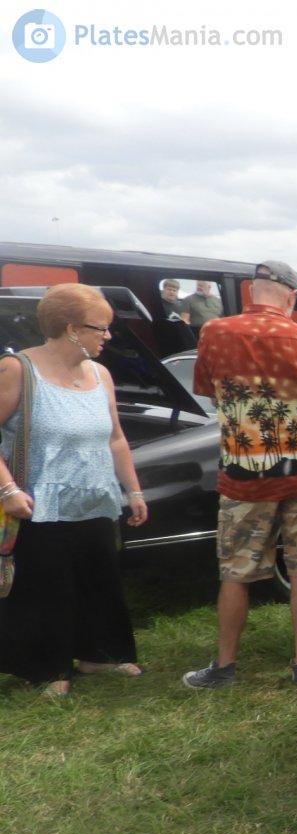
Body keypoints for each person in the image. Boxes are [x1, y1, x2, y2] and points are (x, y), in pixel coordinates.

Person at [184, 260, 297, 689]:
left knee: (235, 572)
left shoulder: (213, 333)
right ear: (292, 297)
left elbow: (206, 388)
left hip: (244, 475)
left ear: (252, 293)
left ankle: (224, 667)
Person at [0, 284, 149, 697]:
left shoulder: (101, 374)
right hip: (37, 503)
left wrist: (133, 492)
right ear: (70, 329)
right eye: (100, 328)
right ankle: (47, 670)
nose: (108, 336)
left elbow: (116, 438)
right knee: (47, 587)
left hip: (95, 497)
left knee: (97, 579)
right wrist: (7, 490)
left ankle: (99, 655)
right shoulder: (17, 369)